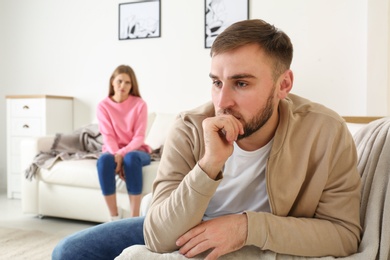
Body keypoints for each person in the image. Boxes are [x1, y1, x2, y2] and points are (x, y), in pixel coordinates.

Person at [52, 19, 361, 260]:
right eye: (216, 82)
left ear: (284, 85)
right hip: (186, 227)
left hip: (269, 234)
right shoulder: (188, 127)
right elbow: (159, 235)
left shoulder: (326, 132)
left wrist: (246, 227)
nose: (222, 101)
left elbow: (345, 234)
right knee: (69, 252)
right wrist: (209, 164)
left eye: (241, 83)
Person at [96, 65, 151, 220]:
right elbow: (108, 135)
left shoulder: (140, 104)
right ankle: (114, 217)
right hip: (112, 150)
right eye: (119, 81)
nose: (123, 86)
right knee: (104, 161)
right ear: (112, 82)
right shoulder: (103, 106)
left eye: (128, 82)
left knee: (131, 158)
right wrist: (116, 155)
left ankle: (134, 219)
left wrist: (121, 154)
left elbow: (139, 138)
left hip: (136, 151)